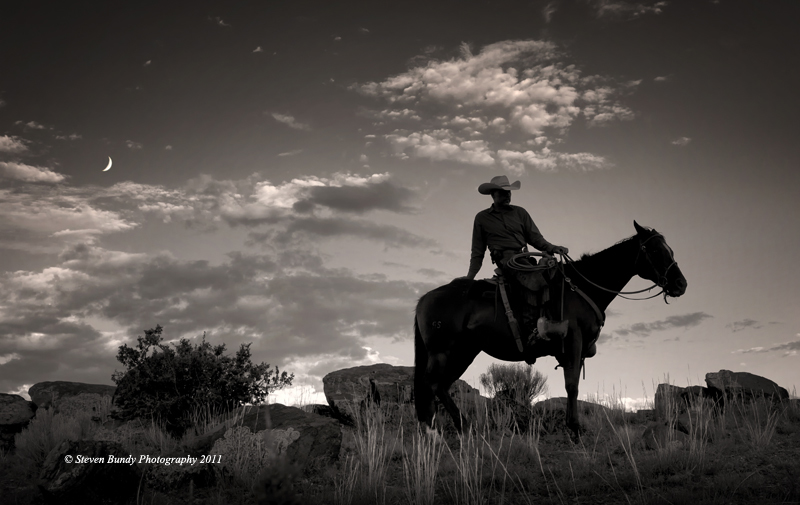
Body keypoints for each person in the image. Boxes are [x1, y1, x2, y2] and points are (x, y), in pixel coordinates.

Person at [466, 175, 570, 346]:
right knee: (533, 281)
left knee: (556, 273)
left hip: (525, 257)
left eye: (508, 192)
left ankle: (553, 319)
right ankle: (532, 330)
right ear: (493, 194)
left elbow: (536, 238)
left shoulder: (520, 212)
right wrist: (469, 277)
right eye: (502, 193)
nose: (507, 196)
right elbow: (477, 252)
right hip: (507, 260)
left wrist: (553, 248)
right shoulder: (482, 218)